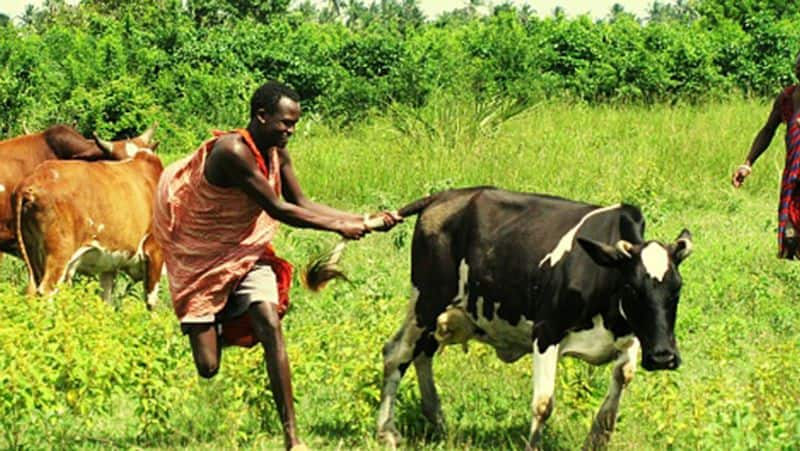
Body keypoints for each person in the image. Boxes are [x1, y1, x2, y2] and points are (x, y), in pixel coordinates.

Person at [152, 80, 400, 450]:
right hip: (200, 257)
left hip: (245, 251)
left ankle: (292, 439)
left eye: (294, 124)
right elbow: (279, 209)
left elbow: (303, 201)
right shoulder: (233, 152)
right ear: (261, 116)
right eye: (285, 123)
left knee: (269, 321)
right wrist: (340, 226)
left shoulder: (277, 153)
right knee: (208, 367)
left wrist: (361, 219)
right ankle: (220, 320)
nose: (290, 131)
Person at [732, 51, 800, 259]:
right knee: (793, 238)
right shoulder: (787, 98)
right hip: (794, 178)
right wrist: (748, 163)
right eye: (798, 63)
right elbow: (768, 130)